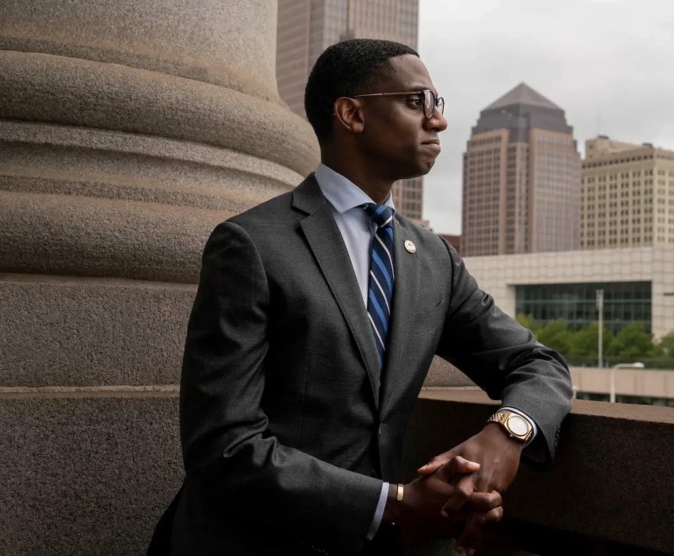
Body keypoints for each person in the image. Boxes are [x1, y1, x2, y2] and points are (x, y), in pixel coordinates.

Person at [148, 39, 572, 556]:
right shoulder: (252, 245)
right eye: (417, 102)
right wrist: (392, 503)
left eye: (438, 104)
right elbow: (223, 448)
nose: (436, 121)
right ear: (352, 114)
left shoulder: (433, 259)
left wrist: (507, 433)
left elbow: (537, 363)